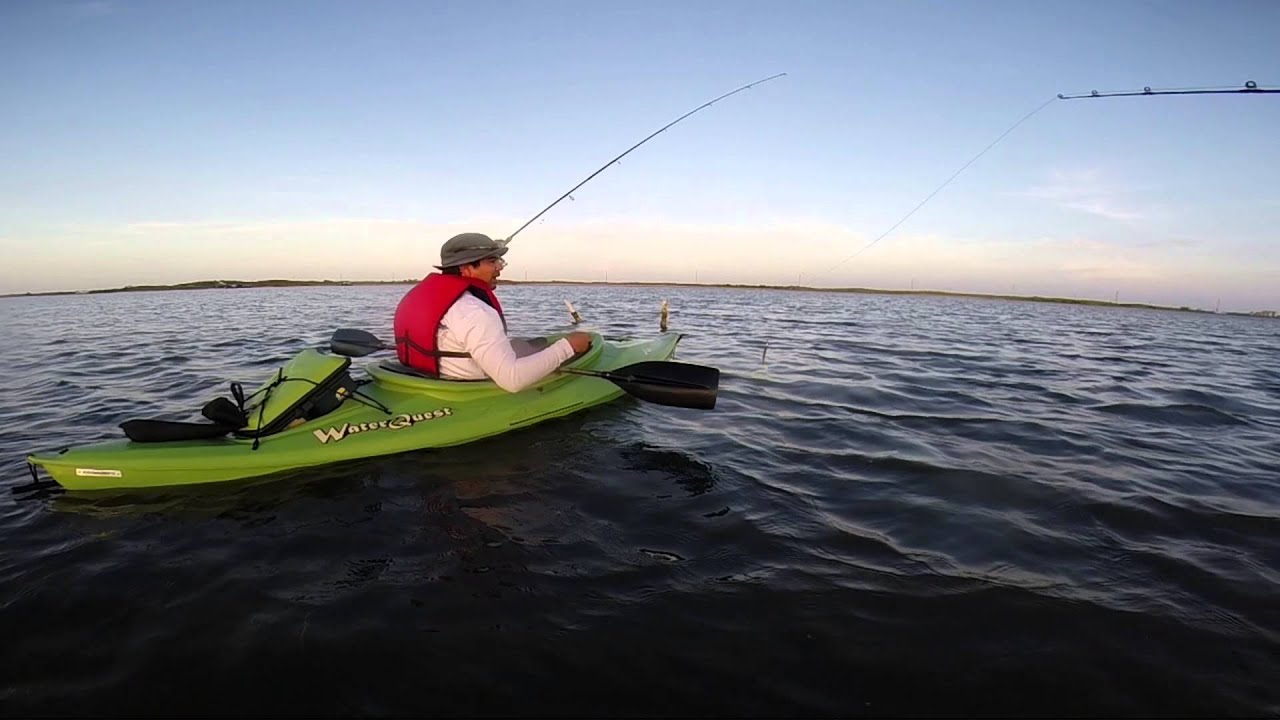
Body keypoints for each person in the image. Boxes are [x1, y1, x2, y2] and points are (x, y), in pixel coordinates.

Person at [392, 232, 593, 392]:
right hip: (464, 389)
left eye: (499, 261)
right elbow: (512, 380)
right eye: (492, 262)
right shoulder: (474, 311)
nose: (499, 268)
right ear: (466, 268)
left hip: (424, 378)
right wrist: (569, 346)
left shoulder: (419, 296)